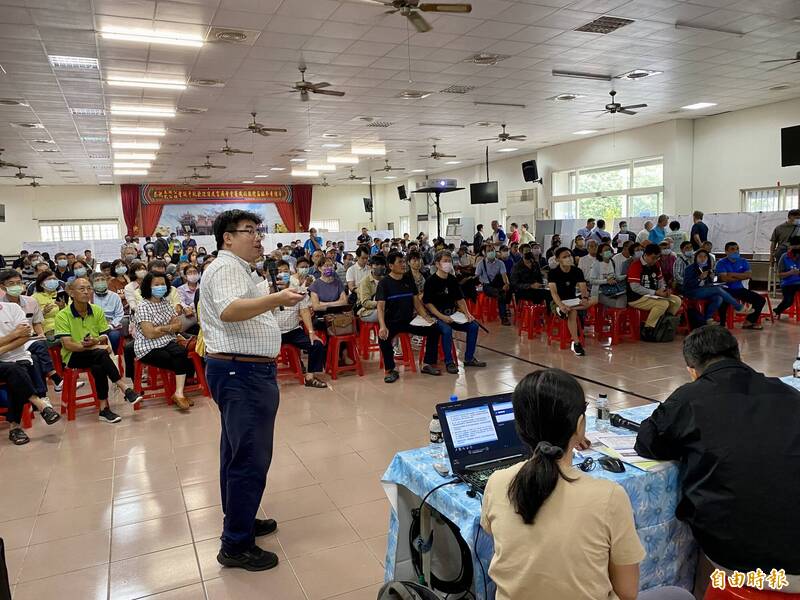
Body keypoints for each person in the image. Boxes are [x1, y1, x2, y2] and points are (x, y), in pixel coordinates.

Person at [482, 369, 693, 600]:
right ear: (580, 425)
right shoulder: (608, 496)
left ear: (519, 426)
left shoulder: (497, 482)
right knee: (678, 595)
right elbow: (627, 592)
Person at [635, 326, 800, 591]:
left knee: (706, 535)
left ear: (692, 370)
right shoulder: (789, 395)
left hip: (742, 560)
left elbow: (648, 442)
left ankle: (704, 593)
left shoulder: (690, 398)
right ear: (738, 355)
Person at [199, 210, 305, 571]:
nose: (258, 238)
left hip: (239, 370)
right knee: (249, 458)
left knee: (235, 451)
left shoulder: (238, 269)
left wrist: (274, 299)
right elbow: (230, 310)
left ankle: (239, 521)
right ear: (227, 238)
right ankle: (235, 546)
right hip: (240, 373)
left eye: (258, 231)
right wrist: (277, 300)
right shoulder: (226, 267)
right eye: (249, 231)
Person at [55, 276, 143, 423]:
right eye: (81, 289)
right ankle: (124, 387)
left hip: (95, 354)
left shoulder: (96, 310)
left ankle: (104, 409)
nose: (86, 292)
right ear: (71, 293)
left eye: (89, 288)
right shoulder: (63, 316)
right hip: (73, 356)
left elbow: (103, 335)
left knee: (99, 365)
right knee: (100, 353)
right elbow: (68, 345)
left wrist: (95, 341)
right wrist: (93, 346)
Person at [0, 302, 62, 444]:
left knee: (16, 371)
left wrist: (2, 349)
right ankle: (40, 404)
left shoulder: (12, 308)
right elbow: (18, 335)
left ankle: (15, 428)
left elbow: (26, 335)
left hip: (17, 358)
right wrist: (14, 334)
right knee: (14, 370)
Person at [133, 273, 195, 410]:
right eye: (156, 284)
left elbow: (178, 325)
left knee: (180, 353)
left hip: (166, 341)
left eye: (163, 284)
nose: (160, 287)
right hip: (148, 347)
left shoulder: (165, 303)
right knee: (178, 357)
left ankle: (178, 393)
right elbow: (149, 333)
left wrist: (161, 328)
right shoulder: (143, 306)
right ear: (148, 287)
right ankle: (179, 393)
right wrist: (168, 328)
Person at [376, 251, 441, 383]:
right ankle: (390, 370)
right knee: (383, 338)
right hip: (392, 321)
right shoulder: (384, 283)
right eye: (400, 262)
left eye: (404, 261)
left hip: (409, 320)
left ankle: (428, 364)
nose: (403, 264)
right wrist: (382, 326)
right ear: (391, 265)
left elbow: (416, 302)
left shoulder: (408, 279)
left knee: (434, 329)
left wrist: (426, 317)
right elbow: (380, 307)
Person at [422, 251, 486, 374]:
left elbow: (460, 299)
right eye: (445, 261)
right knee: (446, 330)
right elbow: (428, 303)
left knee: (473, 326)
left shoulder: (452, 279)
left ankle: (469, 358)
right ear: (437, 263)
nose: (448, 263)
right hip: (437, 316)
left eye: (449, 261)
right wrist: (442, 317)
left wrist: (467, 313)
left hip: (453, 314)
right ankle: (449, 362)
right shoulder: (431, 281)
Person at [682, 249, 753, 327]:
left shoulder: (707, 268)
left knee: (719, 297)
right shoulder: (690, 268)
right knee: (717, 289)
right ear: (696, 258)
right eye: (700, 256)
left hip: (703, 290)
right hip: (691, 291)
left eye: (705, 256)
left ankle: (708, 318)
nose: (703, 258)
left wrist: (713, 278)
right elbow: (687, 284)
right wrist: (699, 278)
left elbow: (712, 282)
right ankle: (738, 307)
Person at [548, 247, 596, 356]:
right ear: (558, 260)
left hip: (573, 301)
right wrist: (560, 305)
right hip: (558, 302)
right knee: (572, 313)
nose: (568, 258)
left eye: (569, 256)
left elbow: (583, 287)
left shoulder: (577, 271)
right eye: (565, 257)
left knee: (595, 299)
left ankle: (568, 309)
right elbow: (554, 293)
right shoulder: (553, 273)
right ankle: (576, 343)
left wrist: (584, 298)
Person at [626, 244, 682, 335]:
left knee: (677, 300)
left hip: (654, 295)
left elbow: (661, 281)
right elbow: (635, 287)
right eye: (653, 258)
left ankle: (663, 324)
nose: (655, 260)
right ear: (645, 255)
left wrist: (664, 290)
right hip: (637, 298)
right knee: (663, 304)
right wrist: (655, 292)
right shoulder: (636, 265)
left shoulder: (656, 264)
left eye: (657, 258)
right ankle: (648, 329)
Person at [715, 242, 765, 330]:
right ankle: (722, 323)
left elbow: (748, 275)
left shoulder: (743, 261)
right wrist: (741, 276)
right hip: (725, 289)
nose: (736, 251)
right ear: (726, 251)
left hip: (739, 289)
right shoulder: (721, 263)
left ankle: (749, 321)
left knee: (760, 300)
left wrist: (731, 274)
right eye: (732, 249)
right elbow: (725, 279)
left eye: (737, 249)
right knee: (722, 300)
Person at [89, 271, 126, 351]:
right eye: (97, 280)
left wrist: (111, 326)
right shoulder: (89, 296)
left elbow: (119, 315)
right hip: (94, 327)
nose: (100, 282)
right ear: (92, 284)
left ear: (106, 281)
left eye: (102, 279)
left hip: (111, 326)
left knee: (114, 335)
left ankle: (113, 356)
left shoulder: (115, 296)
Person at [476, 245, 511, 326]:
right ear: (484, 253)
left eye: (492, 250)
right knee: (501, 294)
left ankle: (504, 315)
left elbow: (504, 275)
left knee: (504, 290)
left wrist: (506, 284)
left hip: (497, 285)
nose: (491, 252)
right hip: (487, 286)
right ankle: (504, 317)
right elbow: (476, 277)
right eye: (488, 251)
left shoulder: (500, 263)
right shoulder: (481, 264)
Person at [590, 243, 626, 309]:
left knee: (624, 298)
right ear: (600, 253)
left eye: (609, 249)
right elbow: (592, 281)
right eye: (606, 250)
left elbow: (615, 277)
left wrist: (626, 276)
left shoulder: (612, 262)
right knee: (619, 305)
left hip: (612, 290)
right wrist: (606, 281)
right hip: (600, 292)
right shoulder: (596, 264)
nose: (609, 251)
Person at [773, 235, 800, 318]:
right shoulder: (784, 257)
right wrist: (790, 273)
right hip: (788, 283)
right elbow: (779, 274)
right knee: (788, 301)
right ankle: (777, 311)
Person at [32, 270, 65, 336]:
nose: (52, 281)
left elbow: (72, 311)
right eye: (49, 279)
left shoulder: (63, 295)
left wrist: (62, 308)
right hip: (48, 329)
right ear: (41, 283)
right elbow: (32, 318)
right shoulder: (34, 297)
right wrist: (43, 312)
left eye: (54, 279)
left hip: (65, 325)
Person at [357, 255, 385, 323]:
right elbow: (365, 302)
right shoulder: (365, 282)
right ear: (370, 267)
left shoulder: (386, 280)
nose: (380, 267)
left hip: (384, 308)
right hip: (368, 311)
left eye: (382, 265)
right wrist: (381, 304)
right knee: (382, 314)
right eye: (377, 264)